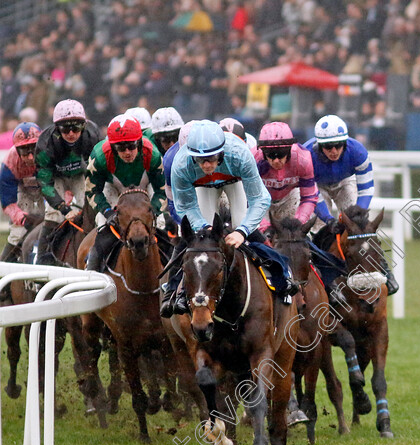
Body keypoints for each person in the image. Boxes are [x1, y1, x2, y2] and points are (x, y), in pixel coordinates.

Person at [160, 120, 274, 317]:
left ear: (221, 152)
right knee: (199, 236)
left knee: (240, 222)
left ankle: (280, 273)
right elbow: (185, 206)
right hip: (204, 187)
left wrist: (242, 231)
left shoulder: (239, 153)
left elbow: (261, 200)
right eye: (200, 159)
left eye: (211, 158)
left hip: (234, 181)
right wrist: (203, 228)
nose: (206, 164)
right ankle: (173, 291)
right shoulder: (180, 164)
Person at [303, 114, 398, 294]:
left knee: (361, 226)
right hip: (317, 187)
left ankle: (386, 271)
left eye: (339, 145)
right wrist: (329, 219)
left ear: (345, 143)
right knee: (319, 226)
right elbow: (311, 194)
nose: (334, 151)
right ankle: (324, 277)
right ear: (319, 146)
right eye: (328, 146)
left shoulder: (358, 151)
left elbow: (367, 187)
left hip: (345, 182)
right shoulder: (306, 155)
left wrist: (359, 212)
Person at [84, 114, 166, 271]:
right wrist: (107, 212)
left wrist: (153, 210)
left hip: (145, 185)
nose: (127, 152)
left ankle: (174, 279)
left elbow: (162, 191)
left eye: (132, 146)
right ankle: (92, 271)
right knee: (103, 229)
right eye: (121, 148)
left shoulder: (153, 154)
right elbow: (92, 191)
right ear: (113, 147)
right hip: (114, 188)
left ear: (140, 143)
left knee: (161, 227)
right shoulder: (99, 157)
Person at [35, 99, 102, 264]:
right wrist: (63, 208)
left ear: (83, 126)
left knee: (94, 210)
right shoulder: (45, 144)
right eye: (65, 129)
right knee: (53, 214)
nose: (71, 133)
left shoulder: (92, 136)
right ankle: (41, 261)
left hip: (80, 174)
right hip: (56, 177)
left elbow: (98, 171)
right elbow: (45, 182)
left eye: (76, 128)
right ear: (57, 128)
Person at [252, 121, 318, 234]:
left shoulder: (303, 159)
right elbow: (248, 199)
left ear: (289, 149)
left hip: (289, 197)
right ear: (262, 151)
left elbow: (309, 197)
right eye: (270, 154)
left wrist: (298, 223)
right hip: (259, 200)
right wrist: (264, 225)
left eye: (281, 153)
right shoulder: (253, 159)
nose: (276, 160)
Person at [0, 121, 44, 263]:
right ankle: (2, 276)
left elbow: (62, 187)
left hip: (49, 190)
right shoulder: (9, 164)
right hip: (23, 192)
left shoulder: (51, 155)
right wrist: (22, 217)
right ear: (16, 150)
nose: (30, 157)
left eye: (33, 149)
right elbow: (8, 203)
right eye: (24, 151)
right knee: (17, 233)